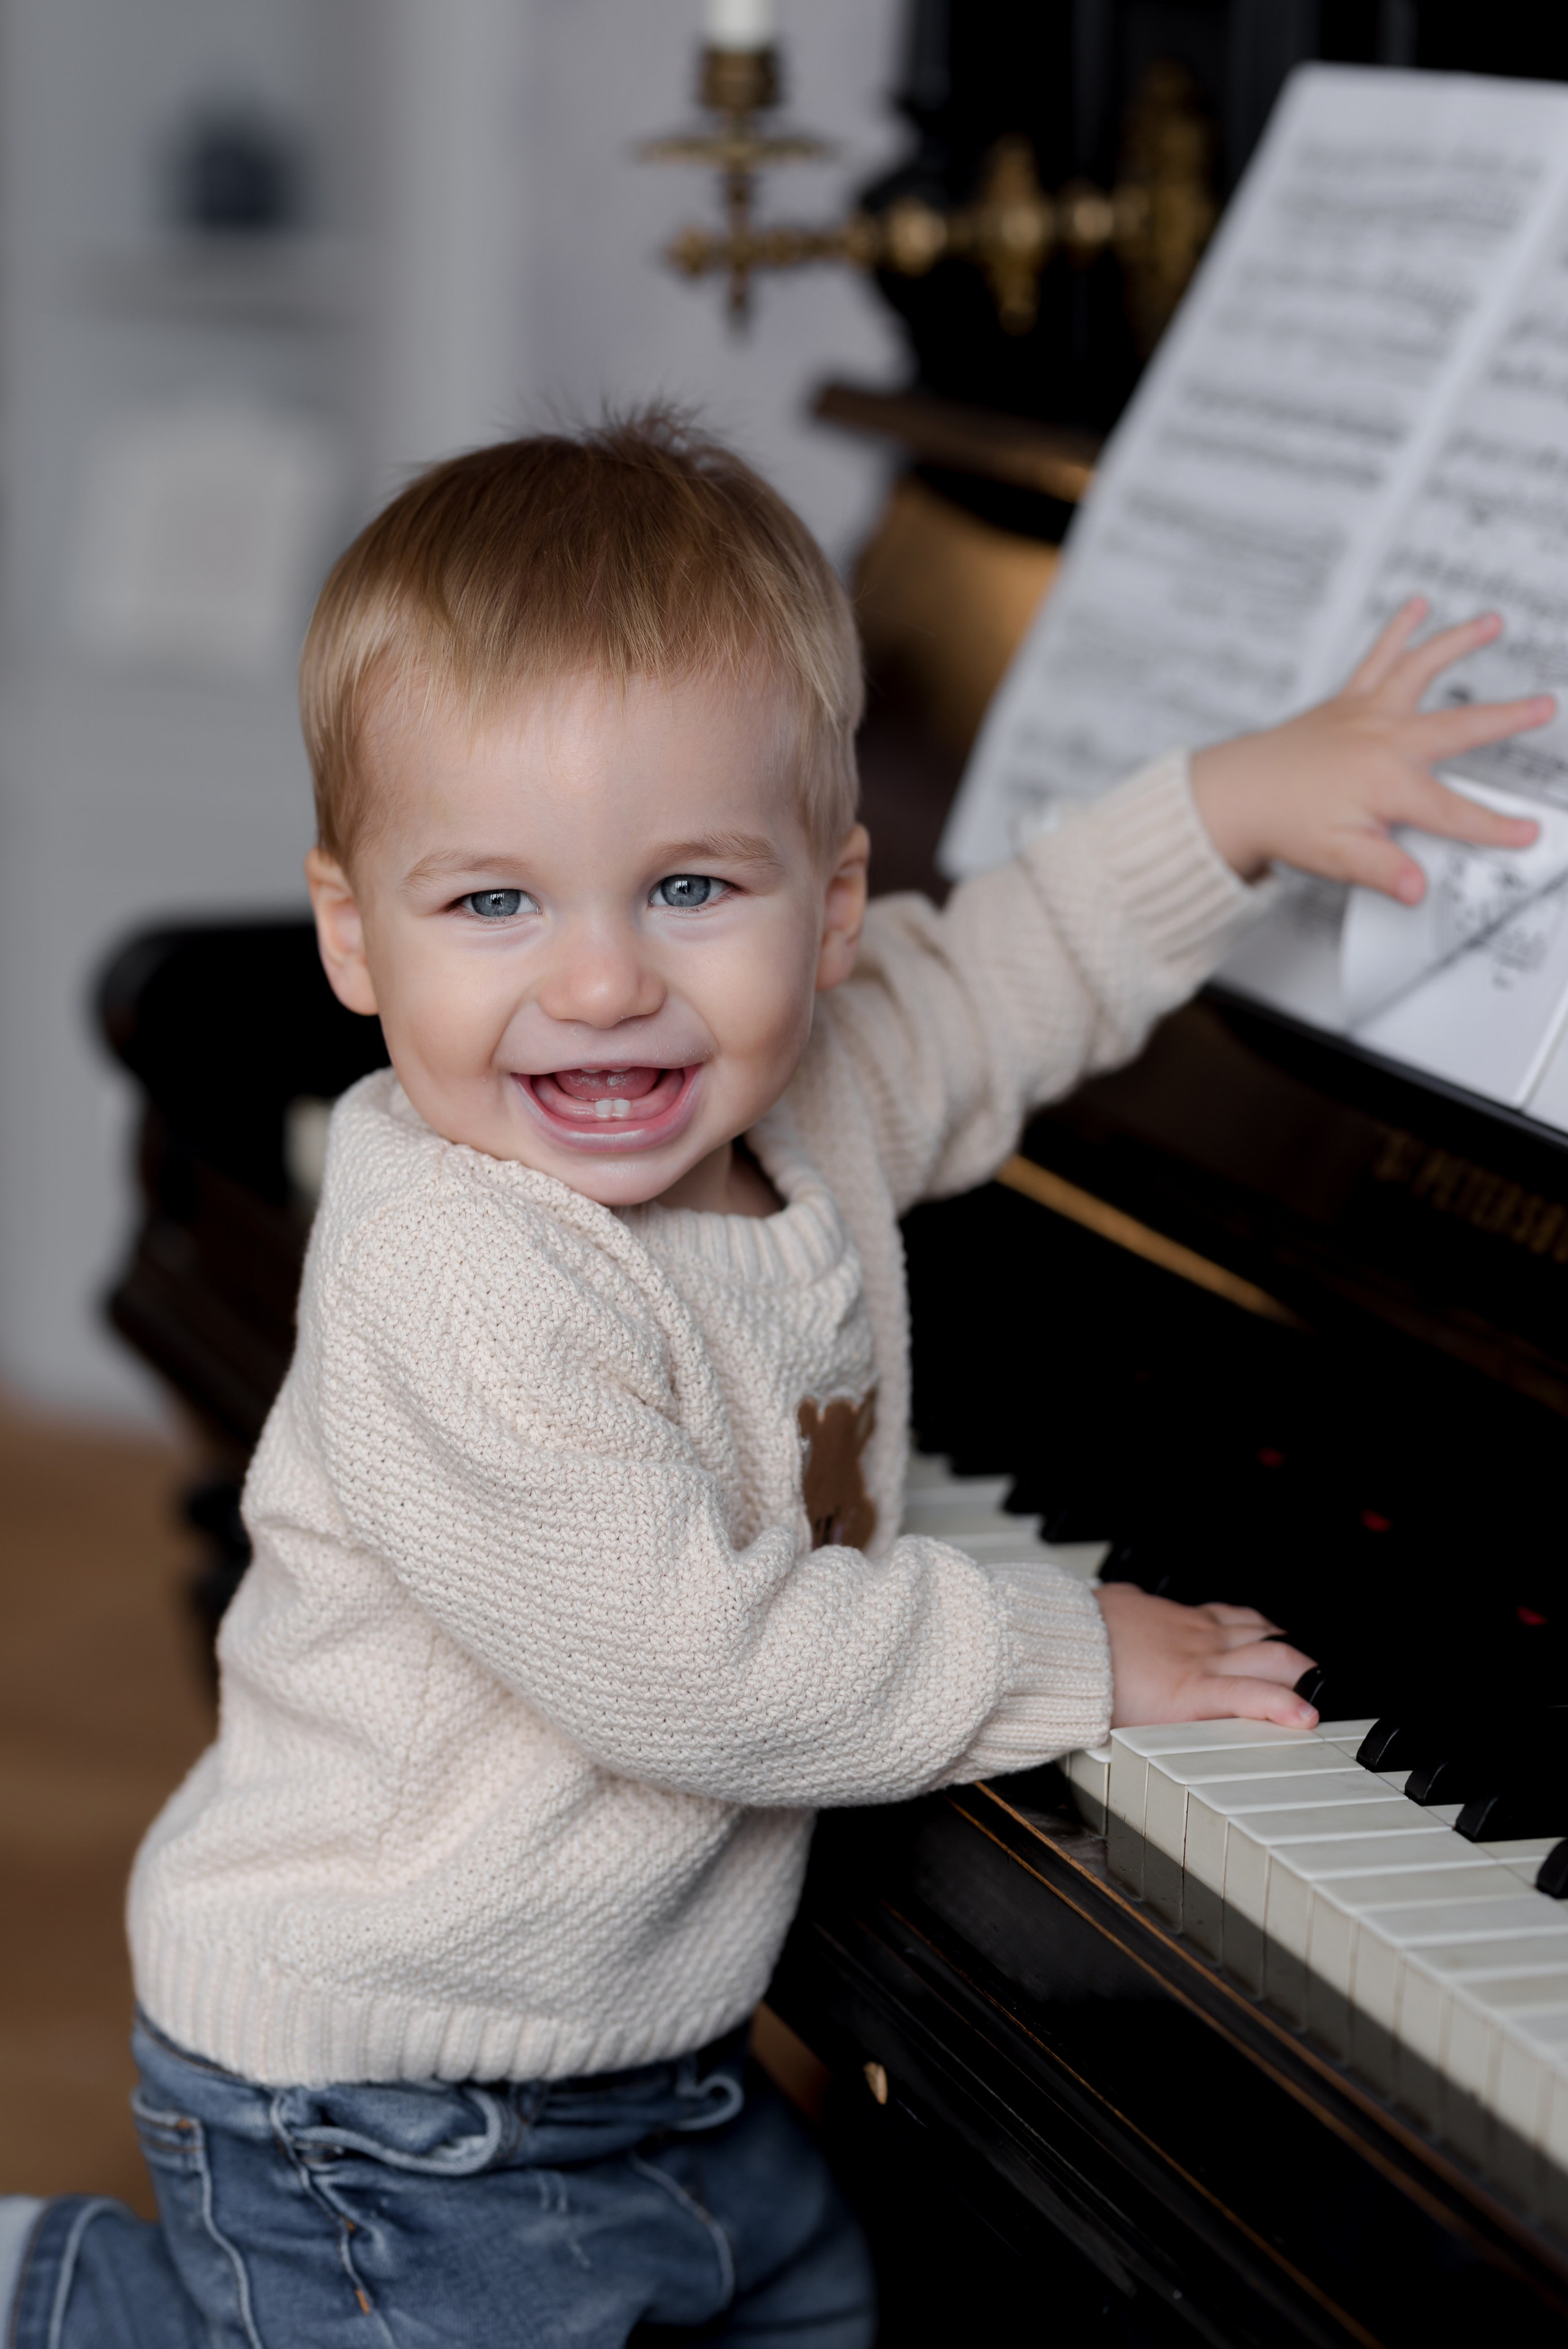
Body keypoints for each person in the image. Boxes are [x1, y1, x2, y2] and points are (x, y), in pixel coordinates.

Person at [0, 415, 1550, 2348]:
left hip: (654, 2059)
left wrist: (1235, 803)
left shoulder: (807, 1091)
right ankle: (68, 2299)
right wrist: (1065, 1646)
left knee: (823, 2311)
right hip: (385, 2101)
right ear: (352, 935)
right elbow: (698, 1667)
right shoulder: (461, 1271)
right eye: (493, 903)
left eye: (688, 889)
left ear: (828, 907)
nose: (601, 983)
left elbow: (1009, 971)